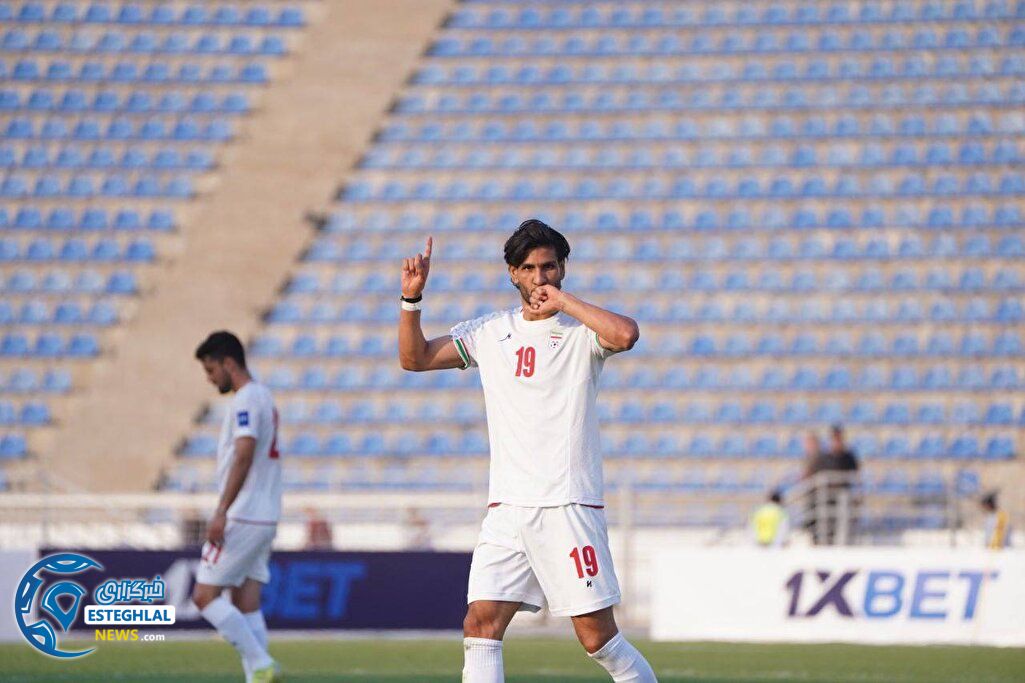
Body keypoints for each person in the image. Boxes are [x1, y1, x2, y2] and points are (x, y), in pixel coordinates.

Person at [398, 220, 656, 683]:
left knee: (599, 640)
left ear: (562, 270)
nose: (541, 278)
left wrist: (565, 304)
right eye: (531, 269)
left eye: (550, 267)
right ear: (513, 274)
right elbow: (414, 358)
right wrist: (411, 300)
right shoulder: (489, 332)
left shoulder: (581, 334)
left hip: (567, 505)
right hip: (508, 509)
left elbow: (626, 334)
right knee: (480, 625)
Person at [191, 331, 281, 683]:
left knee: (203, 596)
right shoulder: (264, 397)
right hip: (265, 515)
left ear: (229, 363)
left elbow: (244, 453)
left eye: (211, 369)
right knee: (247, 601)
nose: (210, 378)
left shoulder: (246, 399)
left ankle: (260, 664)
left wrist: (221, 510)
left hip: (242, 514)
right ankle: (257, 675)